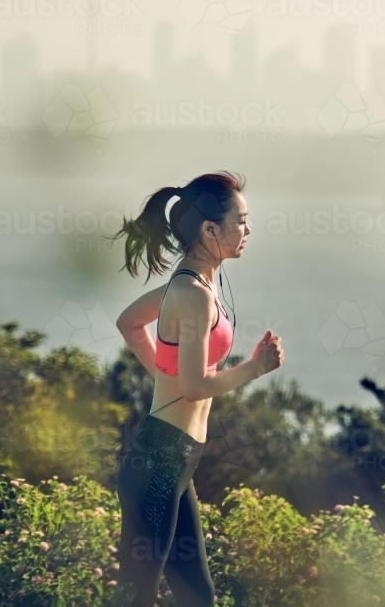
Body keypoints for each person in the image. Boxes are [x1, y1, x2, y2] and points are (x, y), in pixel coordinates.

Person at [108, 171, 284, 606]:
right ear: (210, 229)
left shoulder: (195, 286)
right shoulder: (192, 293)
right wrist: (255, 368)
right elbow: (194, 387)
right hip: (159, 460)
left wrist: (162, 375)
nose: (247, 231)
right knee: (137, 597)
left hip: (177, 462)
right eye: (240, 221)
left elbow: (129, 324)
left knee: (196, 597)